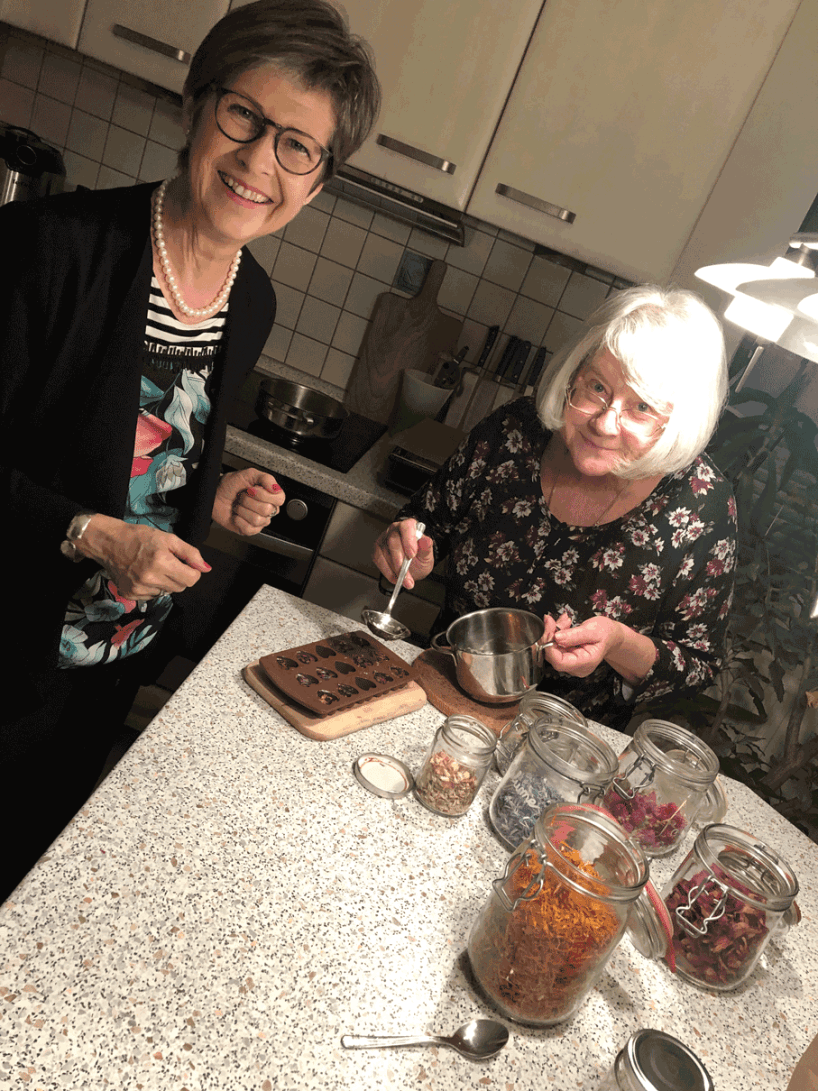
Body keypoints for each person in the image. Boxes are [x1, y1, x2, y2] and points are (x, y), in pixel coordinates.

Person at [0, 0, 380, 901]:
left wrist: (201, 499)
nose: (258, 161)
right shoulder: (52, 251)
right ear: (195, 106)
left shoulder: (252, 302)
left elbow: (126, 442)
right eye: (243, 115)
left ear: (318, 182)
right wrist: (94, 534)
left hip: (109, 670)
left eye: (298, 146)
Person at [373, 285, 737, 729]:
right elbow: (422, 525)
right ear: (574, 374)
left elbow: (696, 665)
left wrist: (620, 644)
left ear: (680, 421)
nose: (603, 423)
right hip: (442, 700)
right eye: (597, 387)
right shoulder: (515, 430)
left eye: (641, 408)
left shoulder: (702, 506)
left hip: (560, 750)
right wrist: (406, 551)